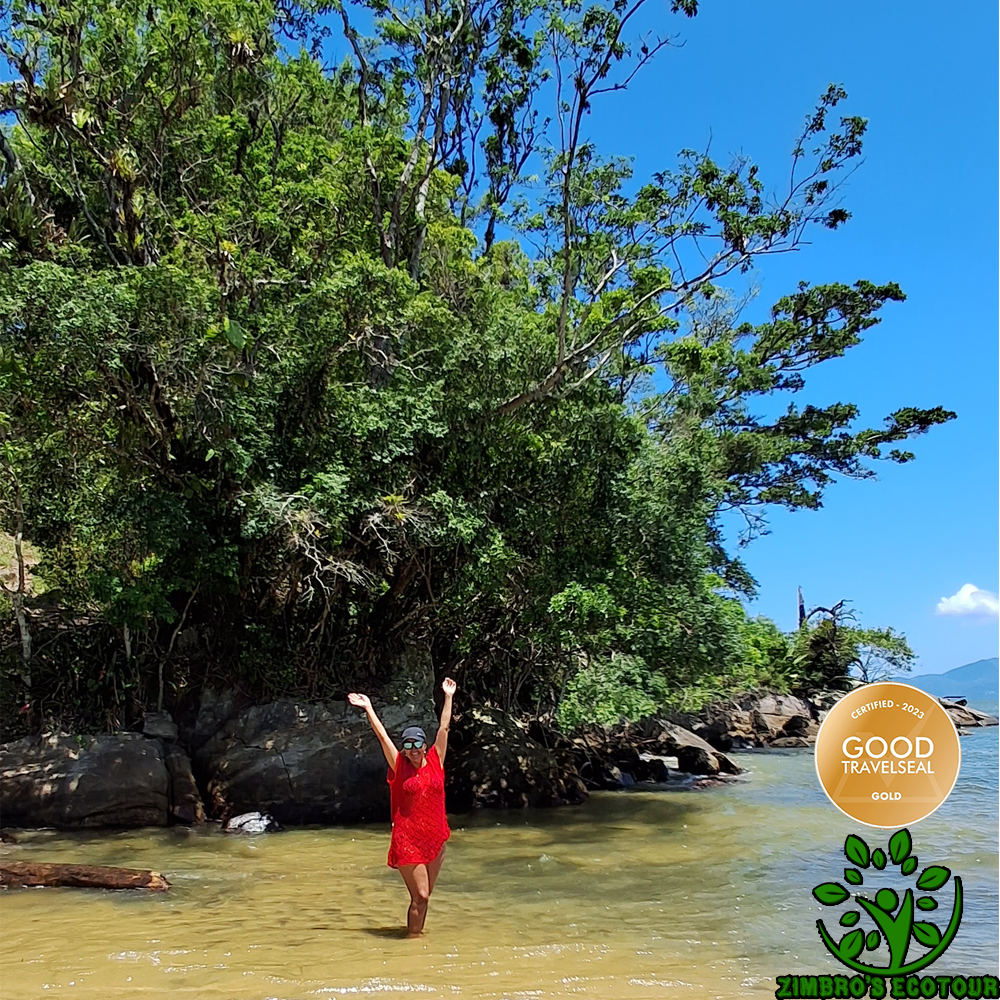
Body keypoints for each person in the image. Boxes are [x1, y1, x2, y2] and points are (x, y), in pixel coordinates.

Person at [348, 677, 456, 937]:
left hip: (435, 836)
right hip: (408, 840)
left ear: (424, 745)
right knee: (420, 893)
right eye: (407, 744)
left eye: (417, 743)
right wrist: (369, 708)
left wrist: (448, 696)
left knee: (425, 897)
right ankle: (412, 941)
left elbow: (443, 728)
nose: (413, 748)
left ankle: (416, 941)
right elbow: (382, 736)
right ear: (404, 750)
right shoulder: (399, 766)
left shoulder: (436, 761)